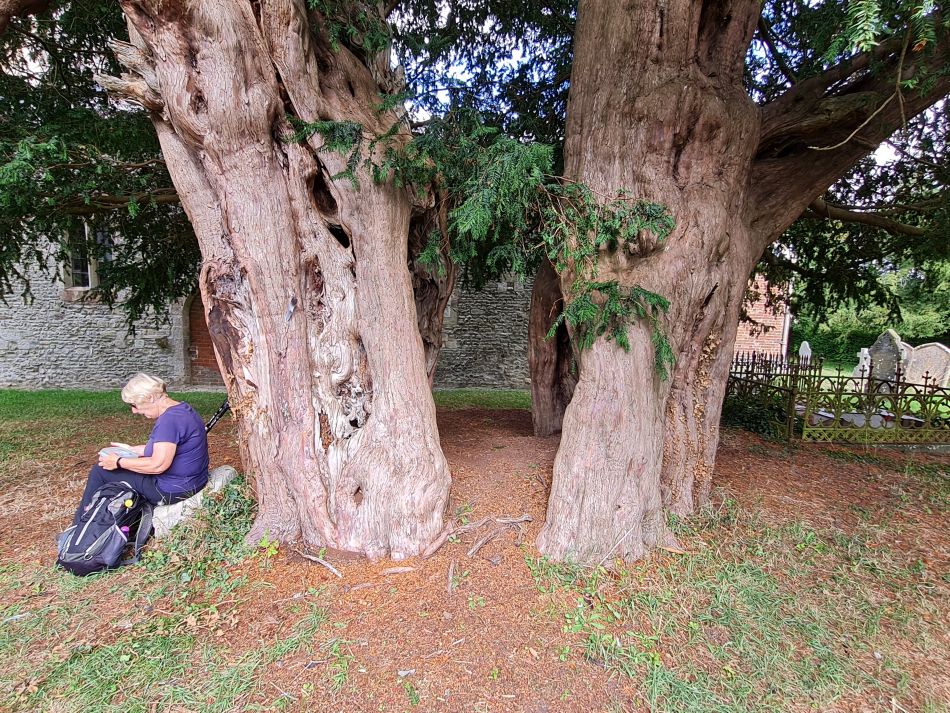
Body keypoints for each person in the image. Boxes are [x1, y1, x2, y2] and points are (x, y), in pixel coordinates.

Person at [71, 373, 210, 526]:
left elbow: (158, 465)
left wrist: (119, 462)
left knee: (101, 471)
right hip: (192, 482)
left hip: (172, 490)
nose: (134, 411)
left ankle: (78, 525)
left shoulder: (169, 421)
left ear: (150, 397)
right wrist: (133, 450)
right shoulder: (182, 410)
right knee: (124, 468)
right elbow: (167, 448)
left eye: (134, 405)